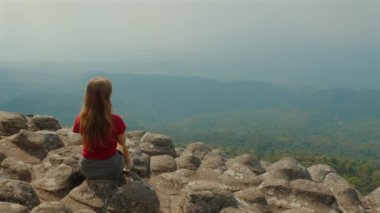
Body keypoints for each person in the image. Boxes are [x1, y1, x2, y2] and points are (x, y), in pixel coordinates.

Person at [73, 77, 130, 180]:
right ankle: (129, 164)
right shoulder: (115, 120)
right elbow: (122, 142)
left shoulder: (81, 119)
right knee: (120, 145)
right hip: (112, 169)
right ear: (108, 96)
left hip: (87, 169)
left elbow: (83, 137)